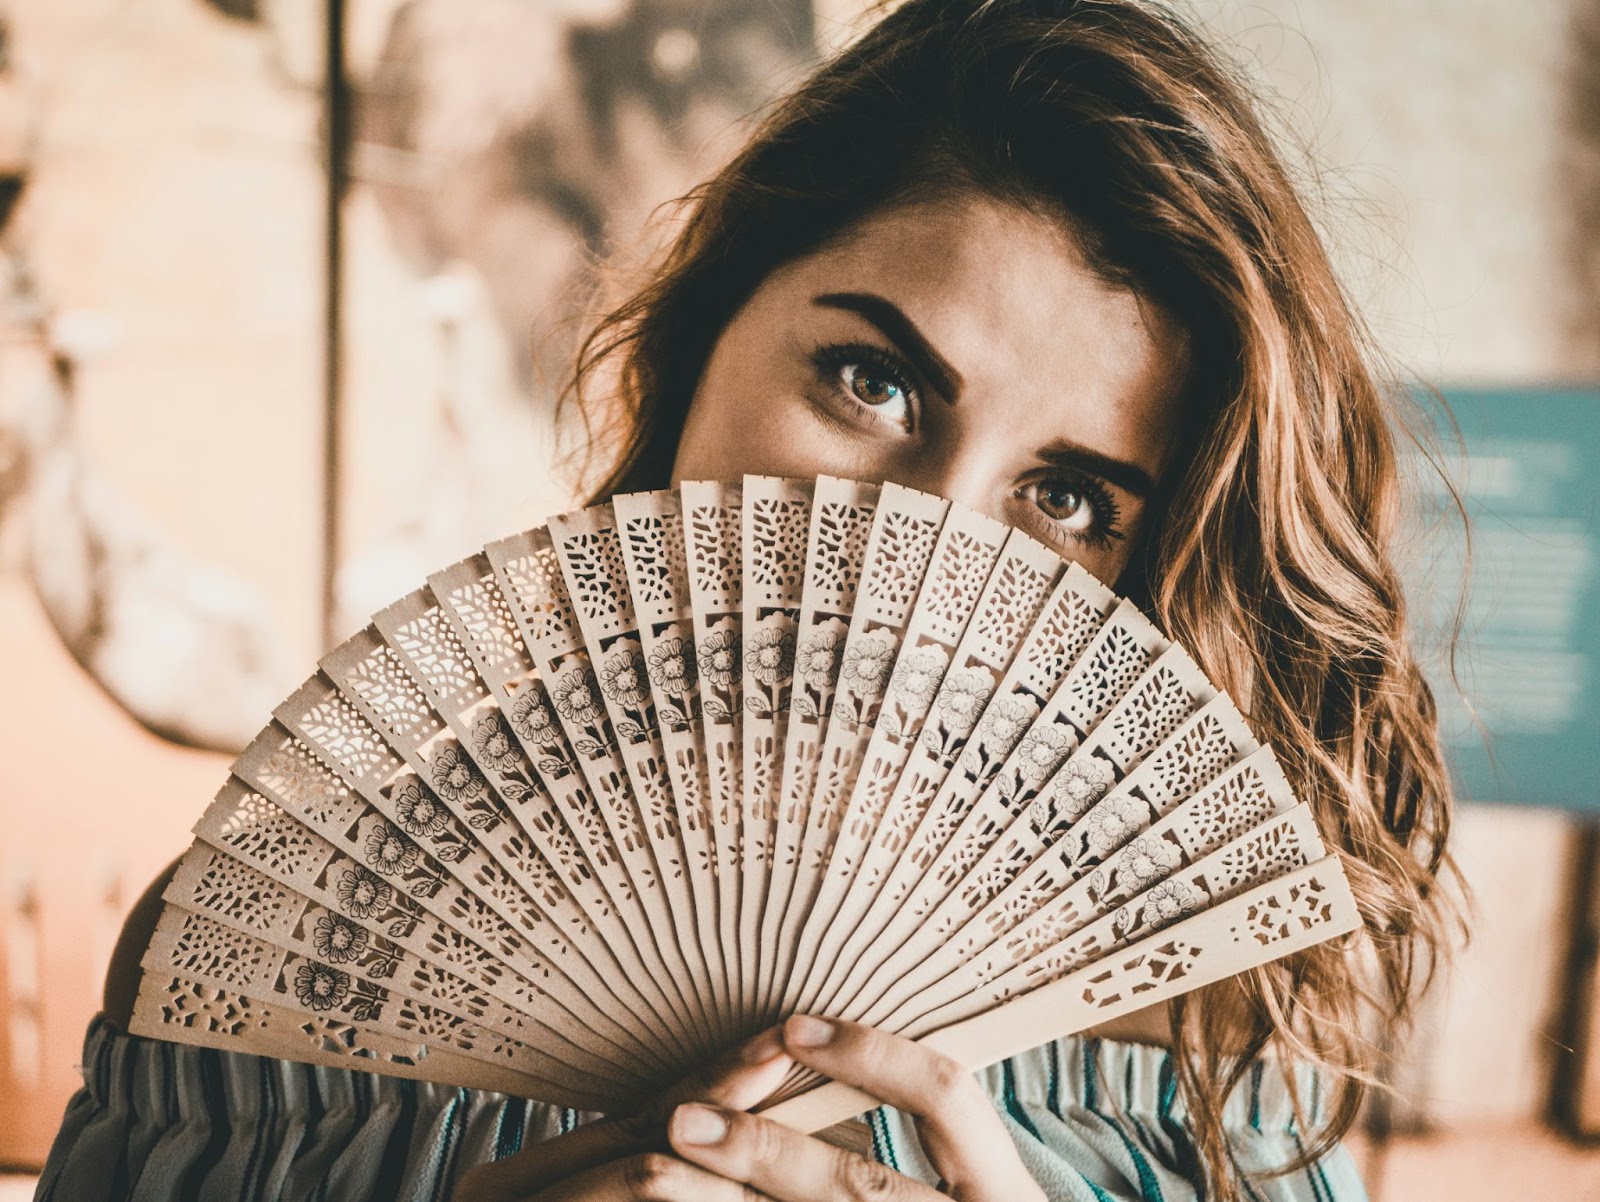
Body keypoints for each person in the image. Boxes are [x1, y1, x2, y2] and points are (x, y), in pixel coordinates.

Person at [37, 1, 1461, 1199]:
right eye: (877, 381)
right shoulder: (254, 965)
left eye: (1068, 498)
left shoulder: (1209, 1079)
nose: (922, 550)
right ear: (701, 333)